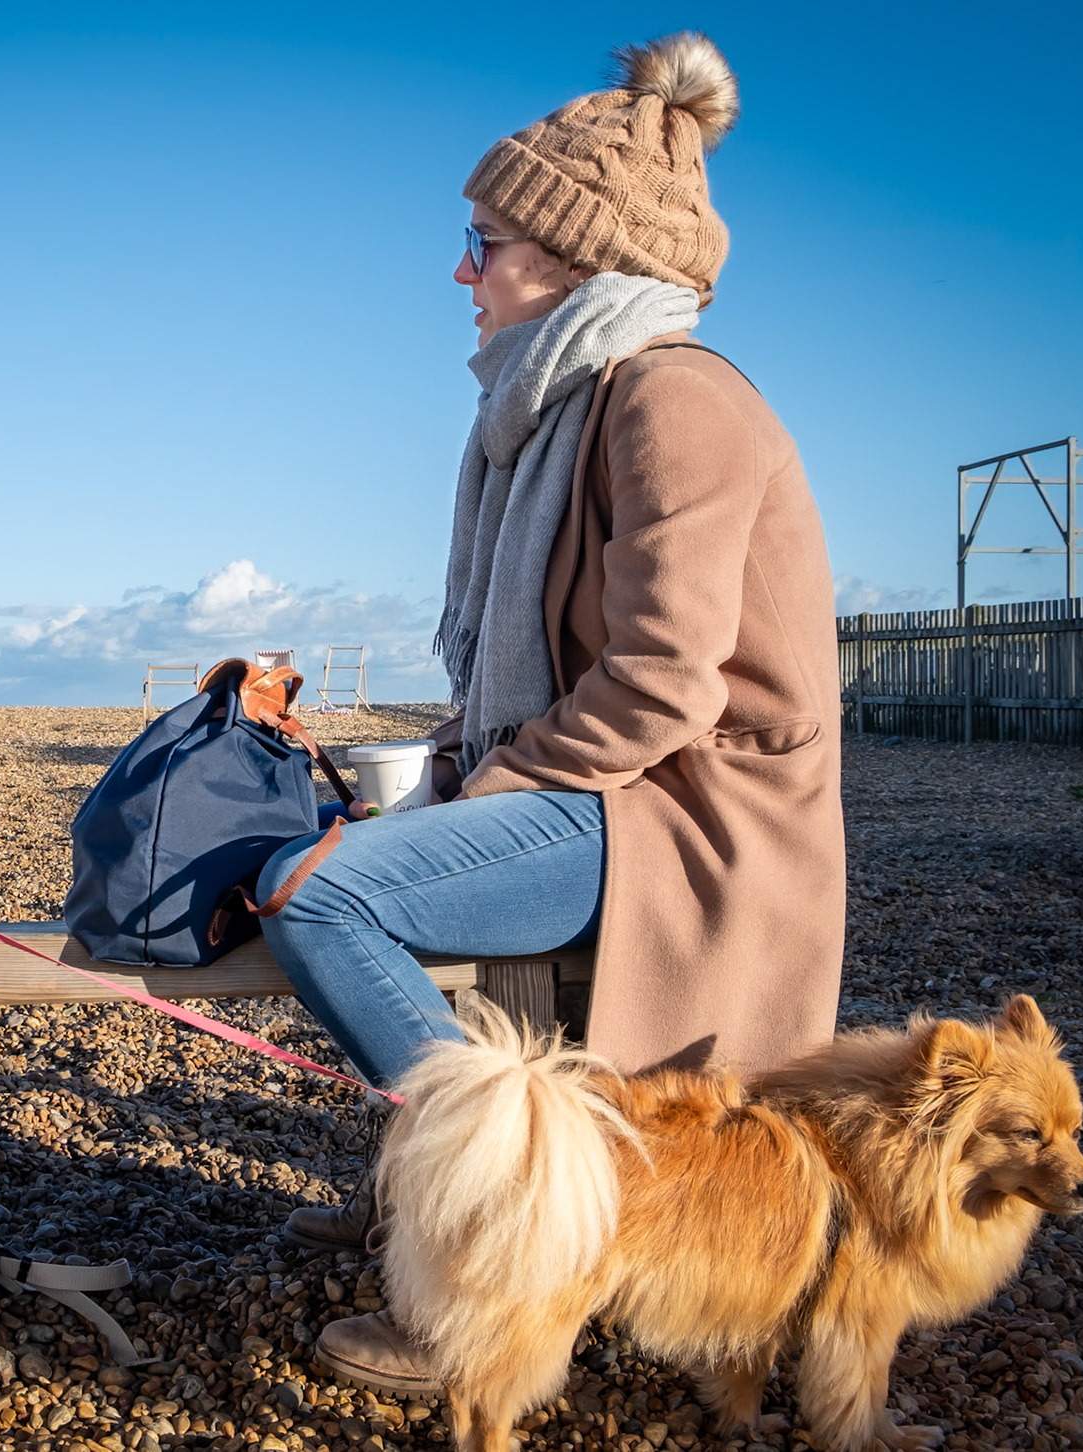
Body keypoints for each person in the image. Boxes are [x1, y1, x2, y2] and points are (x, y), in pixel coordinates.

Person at [253, 33, 845, 1392]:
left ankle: (497, 1225)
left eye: (487, 240)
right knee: (330, 860)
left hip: (686, 819)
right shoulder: (554, 412)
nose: (462, 270)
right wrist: (459, 758)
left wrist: (488, 790)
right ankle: (435, 1183)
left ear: (579, 263)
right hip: (609, 789)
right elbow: (557, 669)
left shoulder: (674, 401)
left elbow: (665, 684)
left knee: (321, 896)